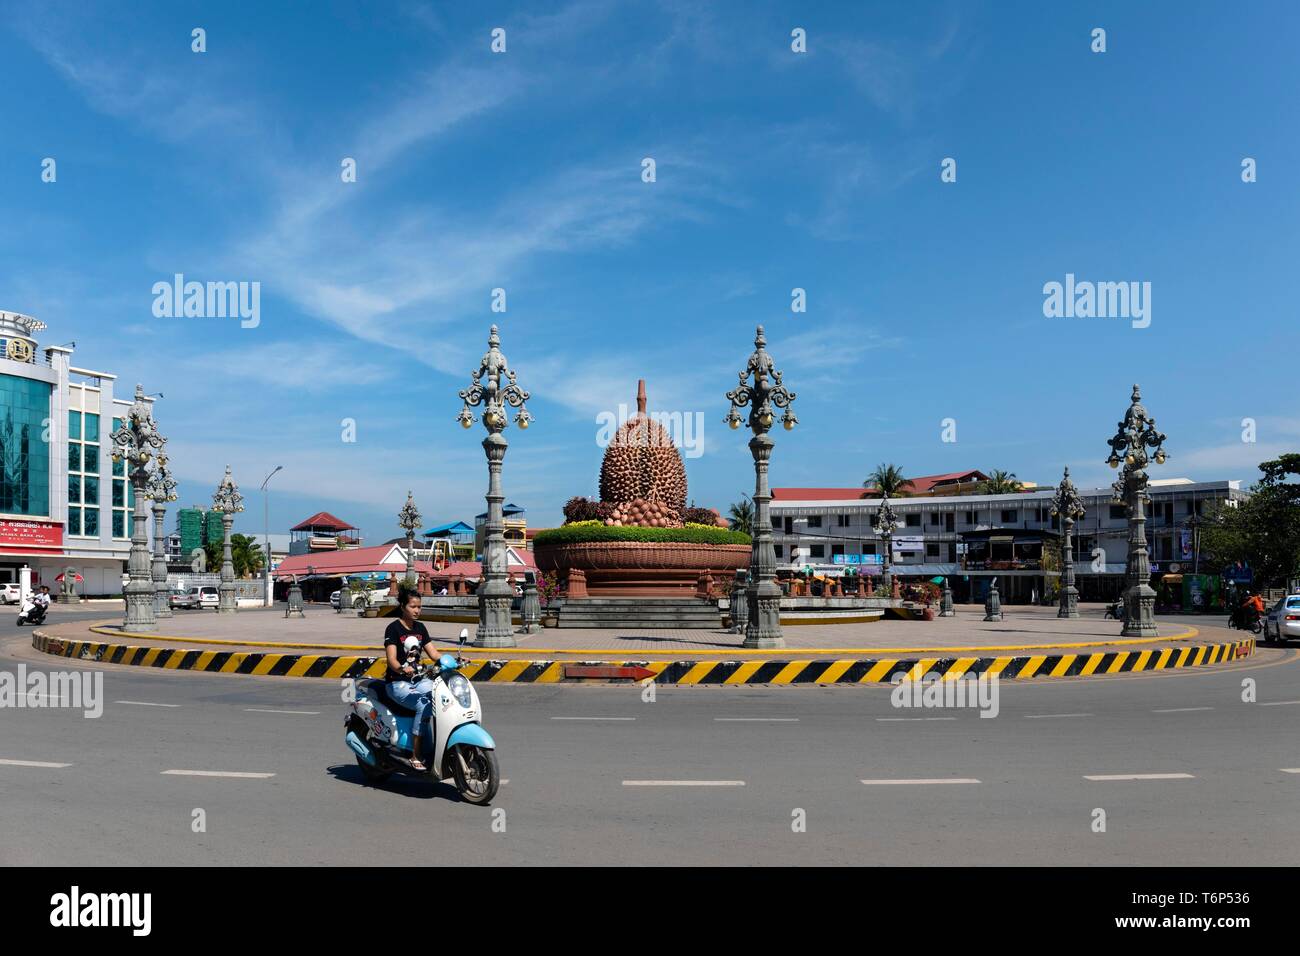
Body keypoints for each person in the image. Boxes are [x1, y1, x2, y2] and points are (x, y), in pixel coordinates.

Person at [383, 586, 439, 772]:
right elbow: (391, 659)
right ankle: (415, 754)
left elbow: (433, 654)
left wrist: (454, 661)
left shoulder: (420, 628)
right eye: (413, 606)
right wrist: (401, 668)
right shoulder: (393, 628)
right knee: (424, 704)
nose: (417, 610)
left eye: (419, 607)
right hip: (398, 682)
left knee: (439, 696)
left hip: (419, 679)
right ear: (403, 606)